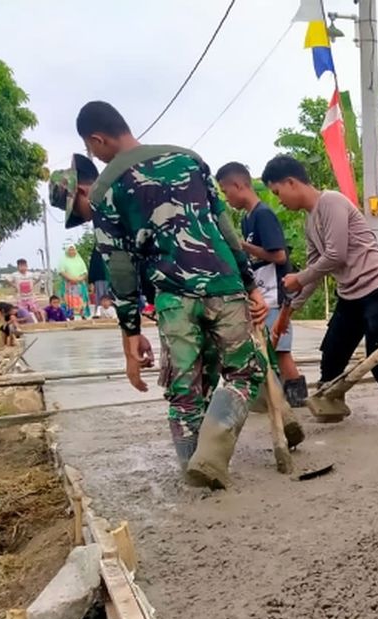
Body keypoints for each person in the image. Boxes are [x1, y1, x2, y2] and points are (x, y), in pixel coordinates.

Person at [59, 101, 269, 488]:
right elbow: (225, 228)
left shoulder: (106, 189)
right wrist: (251, 284)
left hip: (173, 297)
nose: (97, 156)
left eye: (94, 149)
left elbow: (119, 270)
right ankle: (214, 454)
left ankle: (198, 473)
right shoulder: (189, 160)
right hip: (224, 286)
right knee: (244, 374)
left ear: (97, 139)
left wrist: (130, 335)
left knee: (184, 391)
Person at [263, 154, 378, 418]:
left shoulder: (331, 201)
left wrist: (297, 279)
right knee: (331, 359)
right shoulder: (310, 220)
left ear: (291, 183)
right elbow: (315, 270)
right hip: (350, 297)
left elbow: (336, 256)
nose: (279, 200)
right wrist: (290, 309)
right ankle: (331, 412)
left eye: (278, 192)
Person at [216, 161, 308, 408]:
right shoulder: (247, 219)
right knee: (268, 348)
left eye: (226, 192)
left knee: (281, 350)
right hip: (262, 296)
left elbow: (279, 256)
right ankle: (276, 400)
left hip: (275, 295)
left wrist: (242, 245)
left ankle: (297, 401)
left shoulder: (263, 215)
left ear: (238, 185)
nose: (227, 198)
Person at [56, 244, 90, 319]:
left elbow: (85, 272)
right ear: (67, 251)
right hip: (68, 284)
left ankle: (83, 314)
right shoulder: (63, 260)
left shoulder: (79, 260)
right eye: (70, 250)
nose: (72, 251)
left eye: (73, 249)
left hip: (79, 284)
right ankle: (70, 315)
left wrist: (79, 279)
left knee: (80, 299)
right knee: (69, 300)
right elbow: (61, 271)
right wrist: (71, 279)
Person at [87, 243, 109, 314]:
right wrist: (91, 282)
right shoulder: (96, 252)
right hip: (99, 279)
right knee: (100, 299)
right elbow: (93, 266)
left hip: (111, 279)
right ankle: (100, 315)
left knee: (112, 299)